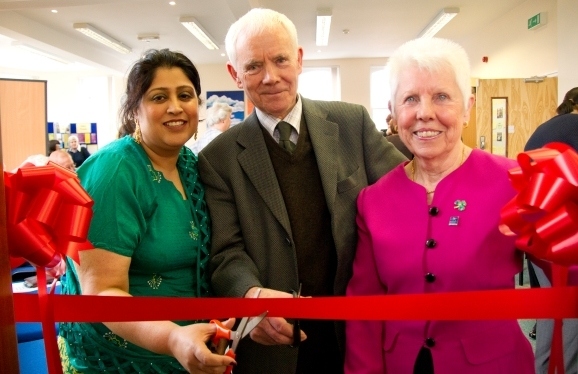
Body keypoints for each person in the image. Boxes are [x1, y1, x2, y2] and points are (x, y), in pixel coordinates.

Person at [197, 8, 406, 374]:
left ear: (299, 59)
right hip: (272, 338)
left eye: (280, 60)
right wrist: (251, 298)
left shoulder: (351, 123)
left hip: (355, 332)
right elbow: (225, 252)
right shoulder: (219, 158)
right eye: (253, 67)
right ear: (235, 74)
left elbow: (407, 189)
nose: (270, 77)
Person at [345, 37, 534, 374]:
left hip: (493, 365)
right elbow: (364, 310)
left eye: (442, 97)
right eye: (410, 99)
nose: (424, 113)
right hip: (400, 364)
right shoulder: (373, 201)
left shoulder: (514, 182)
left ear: (467, 108)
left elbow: (566, 270)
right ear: (393, 110)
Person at [58, 49, 236, 374]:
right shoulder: (116, 170)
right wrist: (173, 338)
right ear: (134, 109)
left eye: (185, 95)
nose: (175, 106)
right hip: (121, 360)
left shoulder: (192, 165)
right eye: (159, 96)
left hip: (190, 351)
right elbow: (101, 292)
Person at [524, 86, 578, 374]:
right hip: (566, 236)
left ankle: (544, 367)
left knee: (552, 311)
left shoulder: (546, 127)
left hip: (537, 232)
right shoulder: (575, 127)